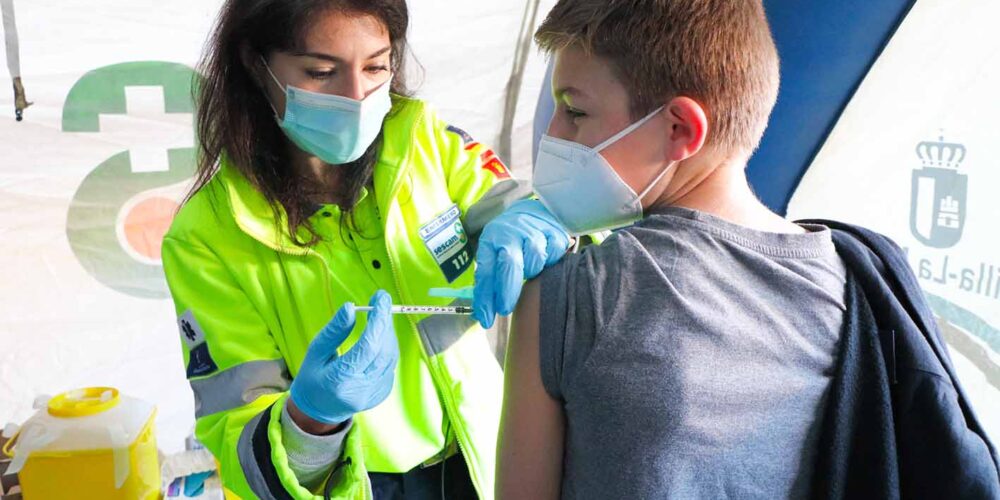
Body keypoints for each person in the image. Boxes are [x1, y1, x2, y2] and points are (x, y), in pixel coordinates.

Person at [162, 0, 569, 498]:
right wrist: (310, 421)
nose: (356, 97)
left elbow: (535, 218)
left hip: (484, 459)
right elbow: (236, 439)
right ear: (255, 61)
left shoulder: (426, 142)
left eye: (376, 66)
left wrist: (540, 221)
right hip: (355, 484)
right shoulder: (207, 236)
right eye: (321, 72)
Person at [497, 0, 849, 498]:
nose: (554, 134)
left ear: (680, 128)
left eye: (575, 111)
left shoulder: (573, 295)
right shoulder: (847, 280)